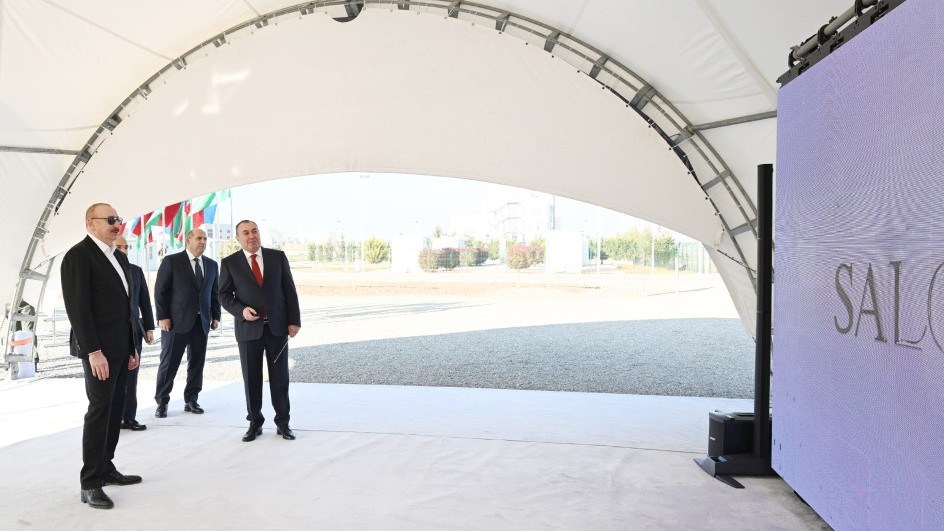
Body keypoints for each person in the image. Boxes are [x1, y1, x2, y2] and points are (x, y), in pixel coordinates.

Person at [61, 203, 143, 510]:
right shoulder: (78, 256)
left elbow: (127, 307)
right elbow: (78, 310)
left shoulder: (118, 257)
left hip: (122, 349)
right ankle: (90, 482)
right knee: (99, 410)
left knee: (115, 408)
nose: (116, 224)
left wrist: (132, 346)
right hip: (99, 351)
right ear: (90, 223)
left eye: (118, 219)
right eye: (109, 219)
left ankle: (106, 467)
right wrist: (93, 351)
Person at [219, 220, 301, 442]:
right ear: (238, 238)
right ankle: (255, 422)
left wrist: (294, 321)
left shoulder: (277, 257)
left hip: (277, 329)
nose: (251, 236)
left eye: (254, 231)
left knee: (280, 379)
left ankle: (283, 423)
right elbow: (223, 295)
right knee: (252, 379)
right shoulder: (229, 263)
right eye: (245, 233)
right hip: (248, 330)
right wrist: (240, 311)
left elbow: (289, 291)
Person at [153, 228, 220, 417]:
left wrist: (216, 316)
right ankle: (162, 401)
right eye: (199, 238)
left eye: (205, 239)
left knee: (197, 363)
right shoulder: (172, 261)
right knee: (169, 363)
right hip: (175, 323)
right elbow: (160, 291)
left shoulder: (212, 265)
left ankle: (191, 399)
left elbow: (214, 293)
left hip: (202, 322)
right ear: (188, 241)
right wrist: (162, 316)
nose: (203, 241)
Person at [114, 236, 155, 431]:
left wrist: (149, 327)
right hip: (112, 334)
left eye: (126, 247)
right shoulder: (104, 271)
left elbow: (144, 300)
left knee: (131, 378)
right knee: (113, 380)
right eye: (118, 246)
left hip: (134, 332)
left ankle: (129, 417)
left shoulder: (136, 271)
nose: (123, 250)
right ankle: (112, 419)